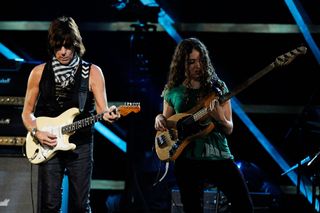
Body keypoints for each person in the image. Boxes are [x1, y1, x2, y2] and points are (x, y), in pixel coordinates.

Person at [21, 16, 120, 212]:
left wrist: (110, 115)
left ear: (75, 43)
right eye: (58, 47)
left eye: (67, 46)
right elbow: (27, 113)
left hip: (81, 145)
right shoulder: (38, 73)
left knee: (80, 206)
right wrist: (36, 132)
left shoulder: (92, 72)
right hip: (47, 143)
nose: (63, 52)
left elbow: (102, 110)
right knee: (50, 204)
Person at [154, 37, 254, 213]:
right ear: (182, 63)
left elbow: (229, 128)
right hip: (187, 159)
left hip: (218, 157)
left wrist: (220, 118)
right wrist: (159, 118)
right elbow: (167, 121)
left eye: (200, 60)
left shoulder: (217, 88)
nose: (197, 66)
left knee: (245, 207)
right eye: (191, 62)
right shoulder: (172, 90)